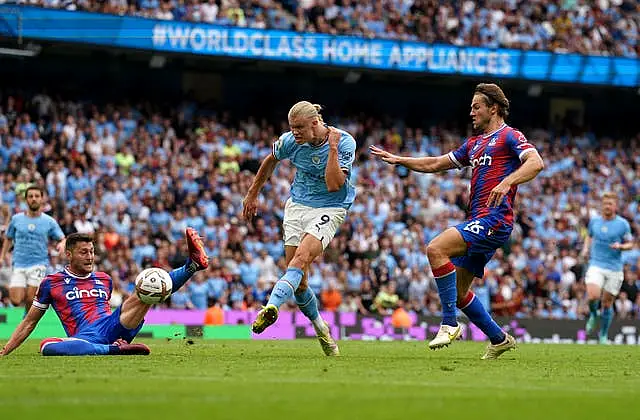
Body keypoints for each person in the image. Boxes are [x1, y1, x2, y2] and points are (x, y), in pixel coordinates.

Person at [370, 83, 544, 359]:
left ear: (493, 109)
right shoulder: (473, 144)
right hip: (479, 219)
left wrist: (507, 181)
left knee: (435, 249)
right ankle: (499, 339)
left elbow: (536, 163)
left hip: (495, 219)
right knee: (460, 293)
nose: (471, 112)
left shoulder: (510, 136)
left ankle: (449, 323)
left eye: (476, 107)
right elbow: (435, 164)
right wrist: (399, 160)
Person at [242, 101, 357, 356]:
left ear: (316, 123)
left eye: (299, 128)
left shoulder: (344, 141)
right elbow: (270, 160)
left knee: (301, 258)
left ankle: (271, 307)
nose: (294, 132)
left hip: (330, 206)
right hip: (296, 206)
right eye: (292, 128)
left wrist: (333, 149)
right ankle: (321, 328)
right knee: (300, 282)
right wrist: (253, 193)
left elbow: (334, 185)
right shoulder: (290, 141)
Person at [0, 228, 209, 356]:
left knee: (146, 290)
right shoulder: (51, 283)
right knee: (47, 346)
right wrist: (6, 348)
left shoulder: (104, 279)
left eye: (92, 252)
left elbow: (111, 313)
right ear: (69, 255)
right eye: (84, 252)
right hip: (85, 337)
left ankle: (192, 265)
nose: (90, 257)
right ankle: (116, 349)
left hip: (111, 326)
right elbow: (30, 321)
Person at [581, 192, 634, 344]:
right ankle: (592, 314)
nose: (607, 206)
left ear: (615, 206)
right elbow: (589, 236)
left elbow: (631, 244)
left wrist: (621, 246)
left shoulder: (622, 224)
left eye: (610, 204)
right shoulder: (595, 222)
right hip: (596, 264)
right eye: (605, 204)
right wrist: (586, 249)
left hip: (614, 268)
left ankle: (603, 335)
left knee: (606, 303)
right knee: (593, 296)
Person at [0, 185, 65, 308]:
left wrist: (62, 244)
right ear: (26, 200)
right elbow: (8, 239)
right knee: (15, 300)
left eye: (37, 196)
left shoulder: (49, 221)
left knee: (31, 298)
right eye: (30, 196)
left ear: (41, 199)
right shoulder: (16, 219)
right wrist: (2, 257)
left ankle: (27, 318)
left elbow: (62, 238)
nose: (34, 199)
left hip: (39, 264)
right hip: (19, 263)